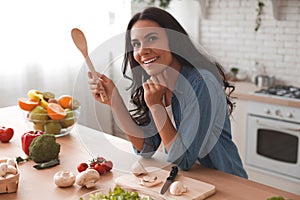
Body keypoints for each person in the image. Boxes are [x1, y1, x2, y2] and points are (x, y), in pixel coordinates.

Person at [88, 7, 248, 178]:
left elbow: (182, 159)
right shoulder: (157, 81)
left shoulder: (202, 83)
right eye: (136, 44)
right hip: (188, 181)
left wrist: (157, 107)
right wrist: (115, 101)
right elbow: (145, 148)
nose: (142, 51)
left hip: (226, 182)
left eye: (152, 39)